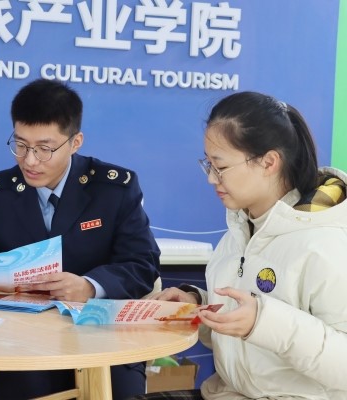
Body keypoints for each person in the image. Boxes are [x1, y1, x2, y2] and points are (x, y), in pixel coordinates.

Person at [0, 78, 161, 399]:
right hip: (20, 344)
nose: (30, 160)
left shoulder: (113, 189)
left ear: (75, 142)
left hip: (103, 340)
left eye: (44, 149)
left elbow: (142, 264)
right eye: (21, 145)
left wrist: (89, 286)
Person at [133, 91, 347, 400]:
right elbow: (242, 338)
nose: (211, 178)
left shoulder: (328, 242)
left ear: (268, 162)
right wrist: (197, 307)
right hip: (226, 393)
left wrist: (264, 322)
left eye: (220, 166)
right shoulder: (239, 229)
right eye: (208, 164)